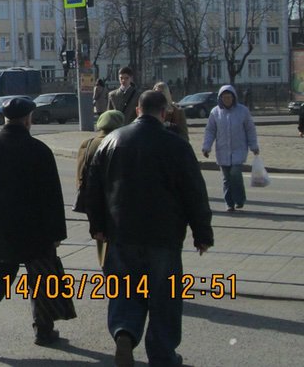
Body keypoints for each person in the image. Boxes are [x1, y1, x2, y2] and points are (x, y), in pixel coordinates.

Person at [86, 90, 214, 367]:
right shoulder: (177, 145)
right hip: (163, 237)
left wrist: (97, 226)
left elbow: (92, 188)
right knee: (164, 298)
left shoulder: (111, 141)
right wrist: (202, 234)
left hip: (120, 234)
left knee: (124, 289)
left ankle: (124, 332)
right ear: (165, 112)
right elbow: (194, 192)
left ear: (137, 110)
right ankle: (162, 354)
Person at [0, 97, 72, 348]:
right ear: (27, 119)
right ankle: (44, 331)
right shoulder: (39, 150)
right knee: (43, 278)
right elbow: (53, 196)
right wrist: (57, 232)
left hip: (0, 228)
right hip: (36, 229)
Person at [73, 109, 126, 264]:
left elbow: (80, 178)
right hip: (120, 207)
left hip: (97, 207)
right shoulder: (123, 143)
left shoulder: (88, 144)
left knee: (103, 253)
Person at [202, 85, 259, 212]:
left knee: (235, 173)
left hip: (239, 149)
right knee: (226, 178)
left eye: (229, 97)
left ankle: (239, 199)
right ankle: (229, 203)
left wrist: (253, 146)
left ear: (234, 98)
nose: (227, 100)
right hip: (222, 150)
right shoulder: (215, 112)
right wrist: (206, 147)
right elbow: (210, 131)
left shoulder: (243, 111)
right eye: (224, 98)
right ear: (220, 99)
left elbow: (250, 129)